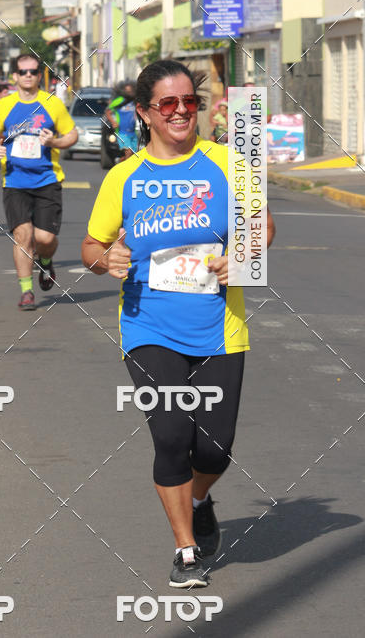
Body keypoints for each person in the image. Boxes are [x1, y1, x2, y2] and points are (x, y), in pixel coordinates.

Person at [81, 59, 275, 589]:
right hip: (149, 326)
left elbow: (262, 228)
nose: (182, 112)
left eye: (190, 101)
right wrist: (106, 262)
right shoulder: (124, 177)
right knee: (171, 435)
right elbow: (92, 246)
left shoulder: (229, 164)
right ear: (144, 113)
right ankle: (186, 550)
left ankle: (199, 497)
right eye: (169, 104)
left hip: (219, 327)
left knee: (214, 448)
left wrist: (242, 257)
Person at [0, 53, 78, 311]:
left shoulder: (52, 103)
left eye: (33, 71)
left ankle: (45, 262)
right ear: (14, 75)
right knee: (22, 236)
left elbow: (72, 134)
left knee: (44, 238)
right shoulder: (4, 105)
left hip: (47, 179)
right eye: (23, 71)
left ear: (39, 75)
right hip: (15, 181)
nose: (28, 75)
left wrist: (54, 142)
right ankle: (26, 292)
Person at [105, 80, 138, 160]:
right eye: (127, 91)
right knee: (129, 151)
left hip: (133, 132)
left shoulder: (134, 101)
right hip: (121, 132)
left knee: (133, 155)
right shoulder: (119, 101)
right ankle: (127, 171)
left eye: (130, 91)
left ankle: (120, 161)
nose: (129, 93)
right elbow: (108, 111)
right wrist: (113, 122)